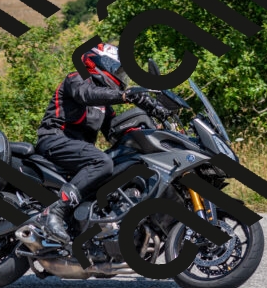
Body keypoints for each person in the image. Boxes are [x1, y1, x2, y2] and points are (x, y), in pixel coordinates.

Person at [33, 43, 171, 244]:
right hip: (55, 140)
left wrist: (150, 131)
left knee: (121, 164)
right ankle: (53, 212)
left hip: (79, 151)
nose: (121, 77)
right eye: (119, 71)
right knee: (102, 162)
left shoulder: (104, 106)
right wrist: (126, 95)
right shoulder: (76, 79)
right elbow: (87, 95)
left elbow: (115, 131)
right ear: (100, 62)